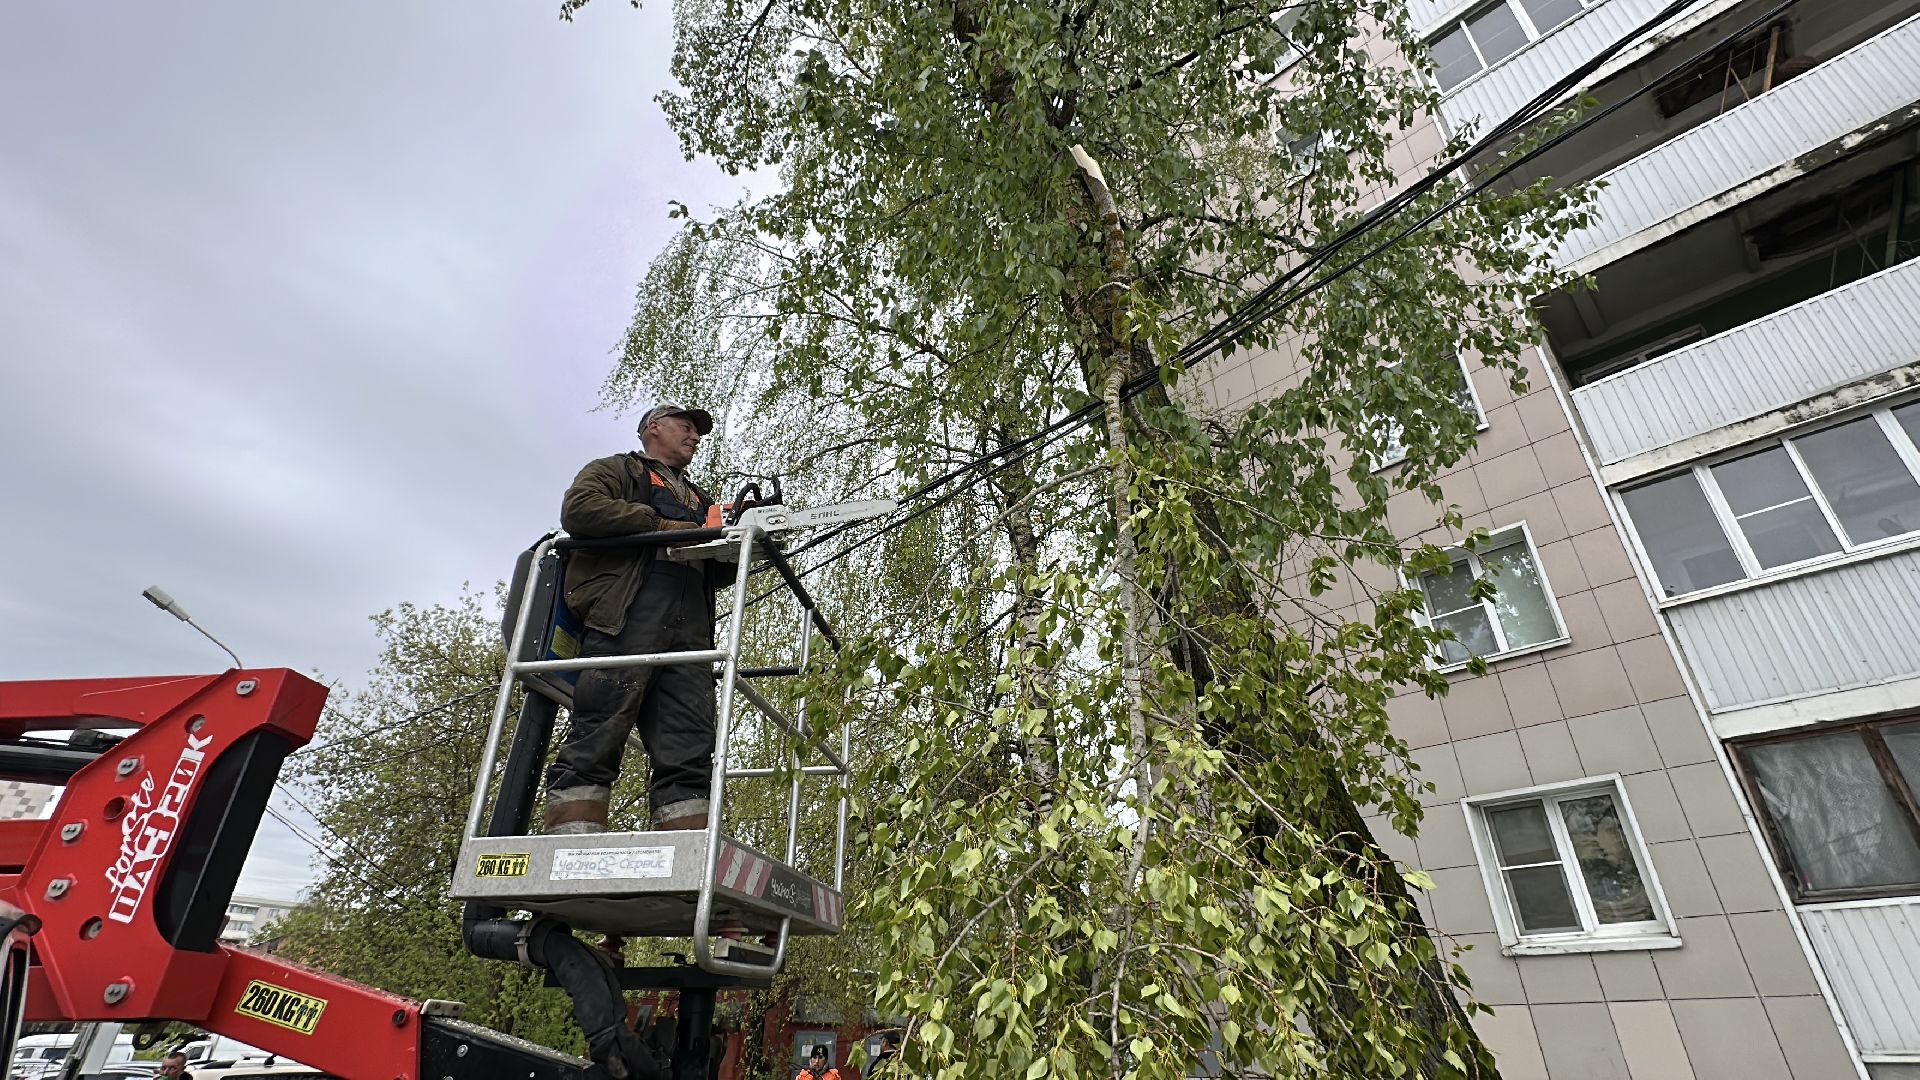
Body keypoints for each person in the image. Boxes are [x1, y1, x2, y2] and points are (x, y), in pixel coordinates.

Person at [543, 403, 726, 835]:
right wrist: (658, 525)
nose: (695, 438)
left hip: (691, 631)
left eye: (696, 433)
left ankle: (685, 840)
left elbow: (714, 572)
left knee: (690, 736)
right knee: (601, 722)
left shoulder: (700, 499)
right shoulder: (618, 471)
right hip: (626, 616)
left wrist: (738, 542)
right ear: (653, 428)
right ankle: (571, 832)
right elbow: (580, 510)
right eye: (685, 428)